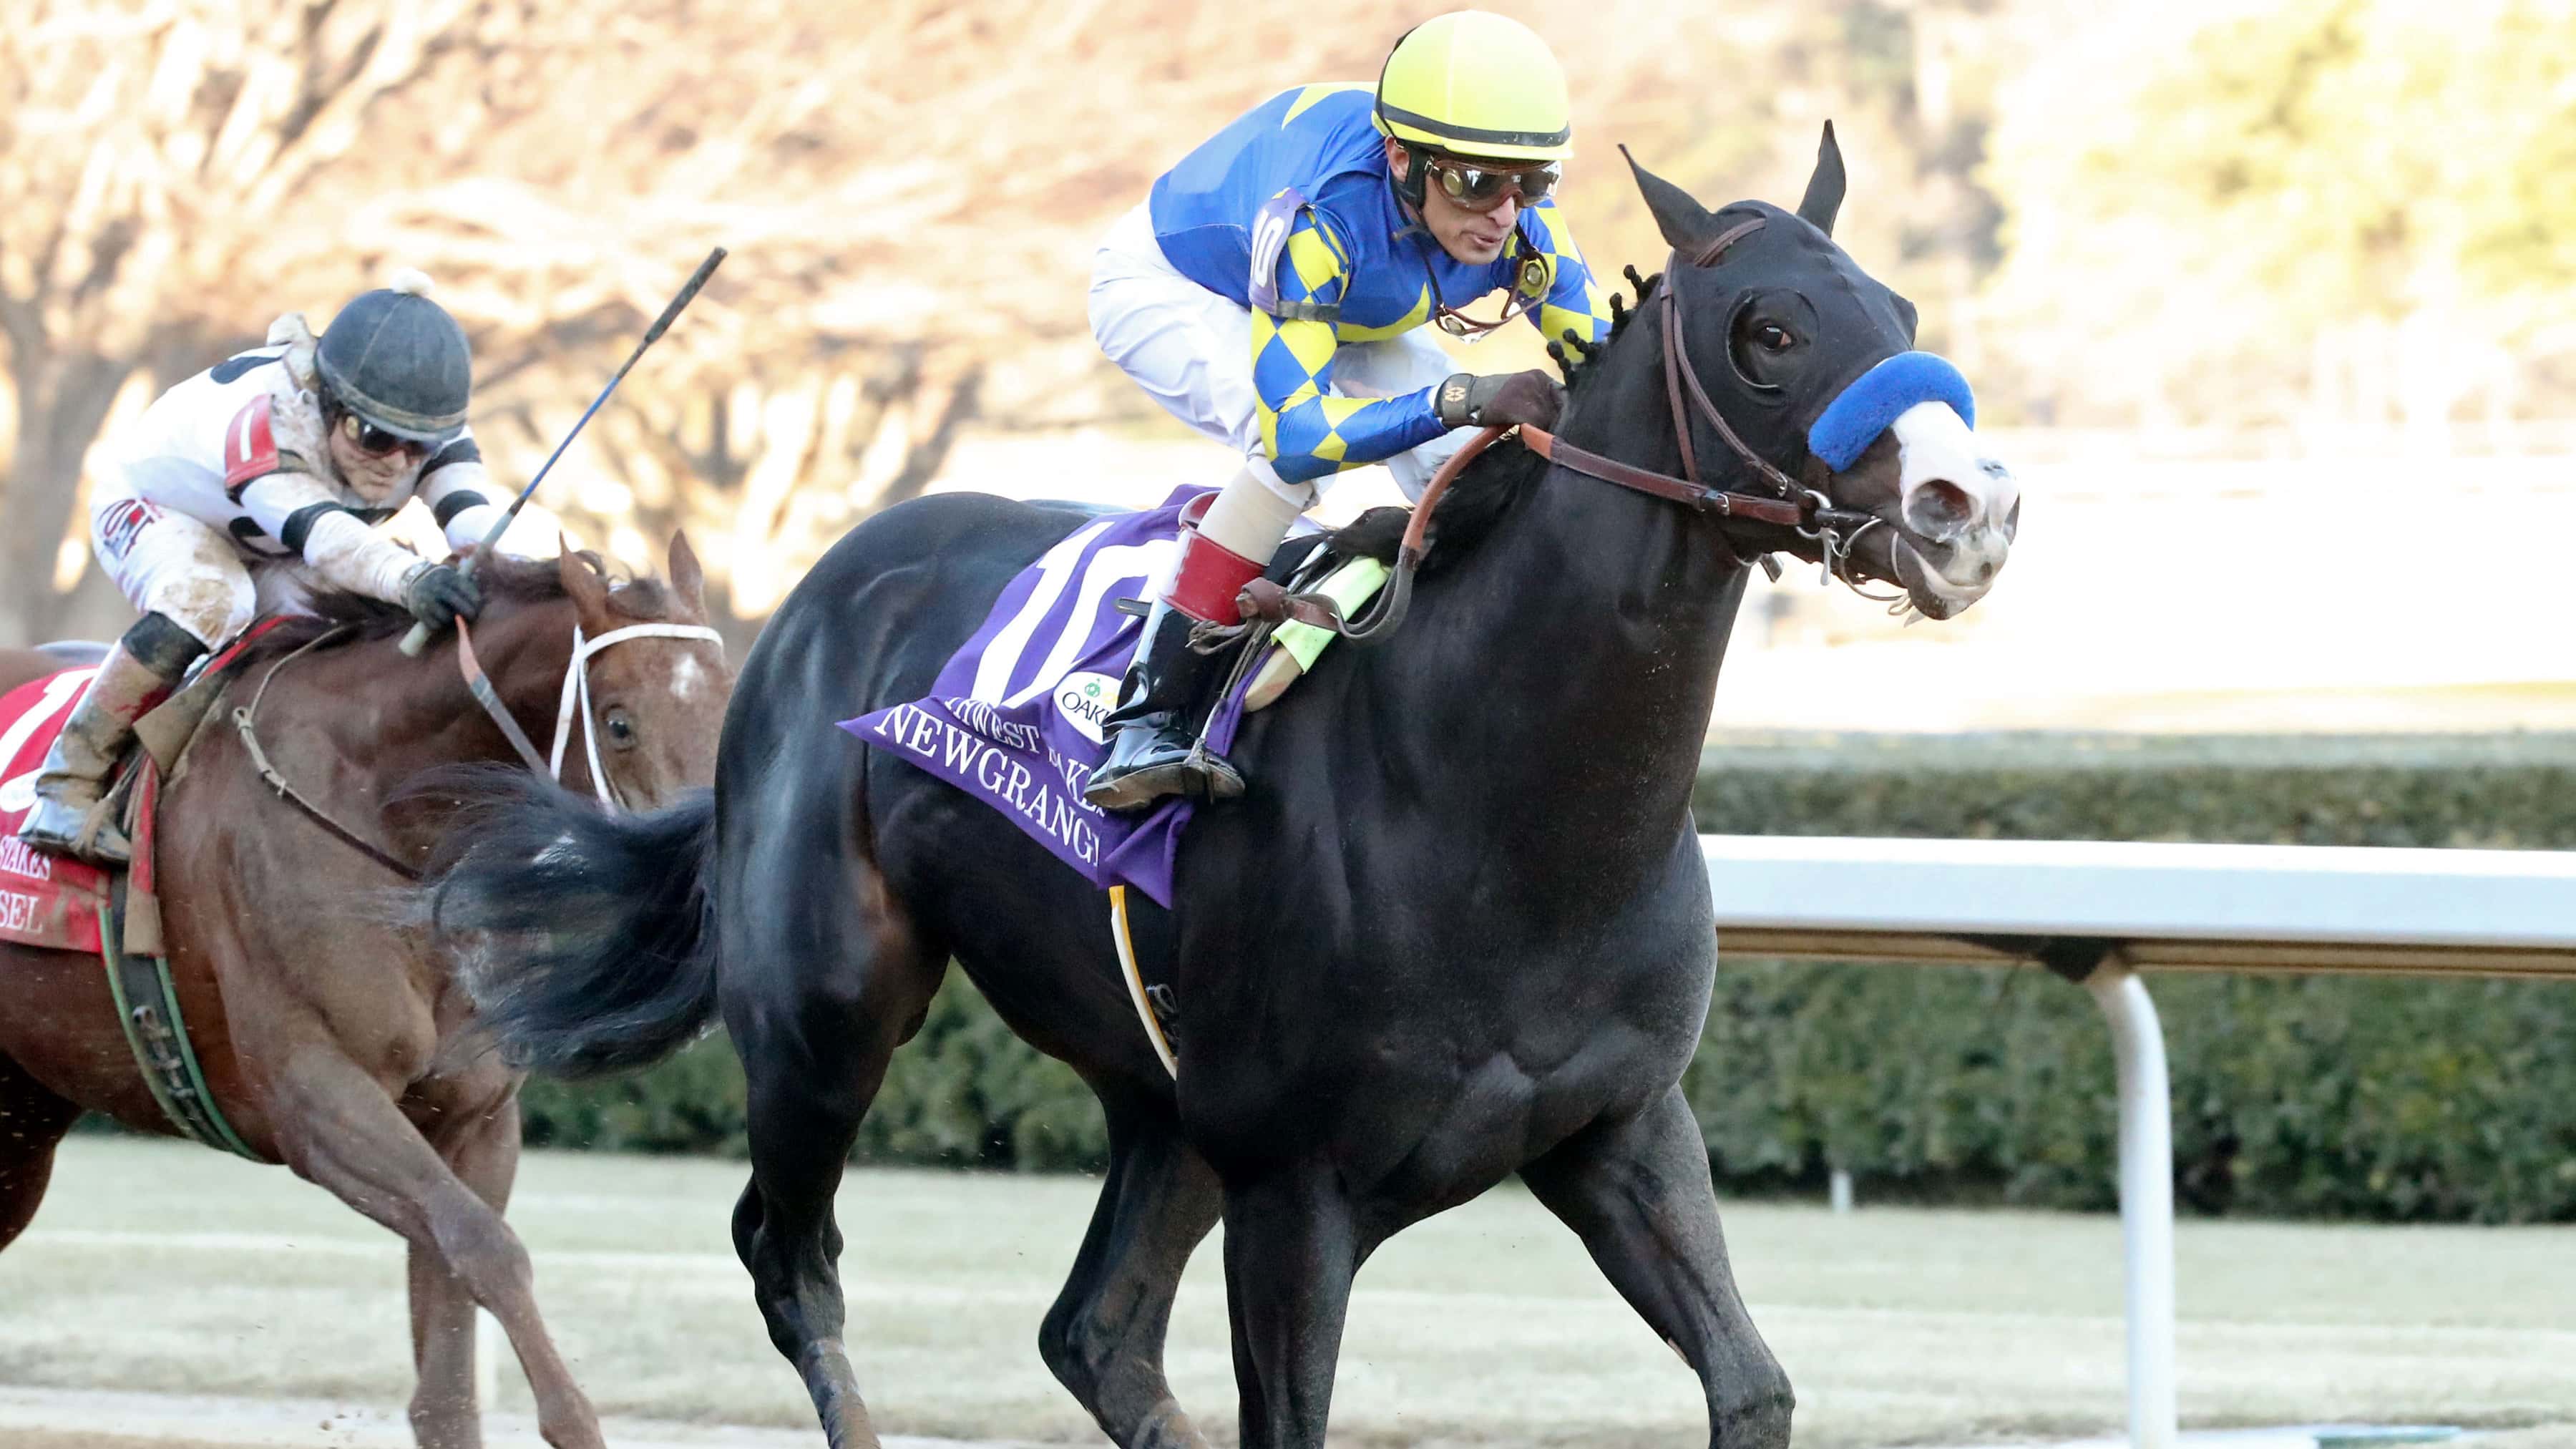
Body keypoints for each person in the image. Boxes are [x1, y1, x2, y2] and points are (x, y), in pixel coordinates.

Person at [1083, 9, 1614, 810]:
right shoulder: (1321, 220)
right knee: (1286, 465)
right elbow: (1299, 437)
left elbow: (1606, 370)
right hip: (1174, 287)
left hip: (1351, 310)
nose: (1505, 212)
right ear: (1402, 158)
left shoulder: (1523, 223)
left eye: (1531, 181)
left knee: (1460, 462)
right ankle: (1145, 716)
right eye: (1475, 183)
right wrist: (1461, 396)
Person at [16, 271, 499, 865]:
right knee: (214, 600)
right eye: (374, 438)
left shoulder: (417, 417)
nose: (397, 463)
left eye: (418, 448)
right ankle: (67, 784)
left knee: (351, 624)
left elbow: (471, 510)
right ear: (328, 400)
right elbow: (326, 540)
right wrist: (413, 579)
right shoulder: (266, 418)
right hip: (157, 509)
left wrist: (515, 571)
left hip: (267, 541)